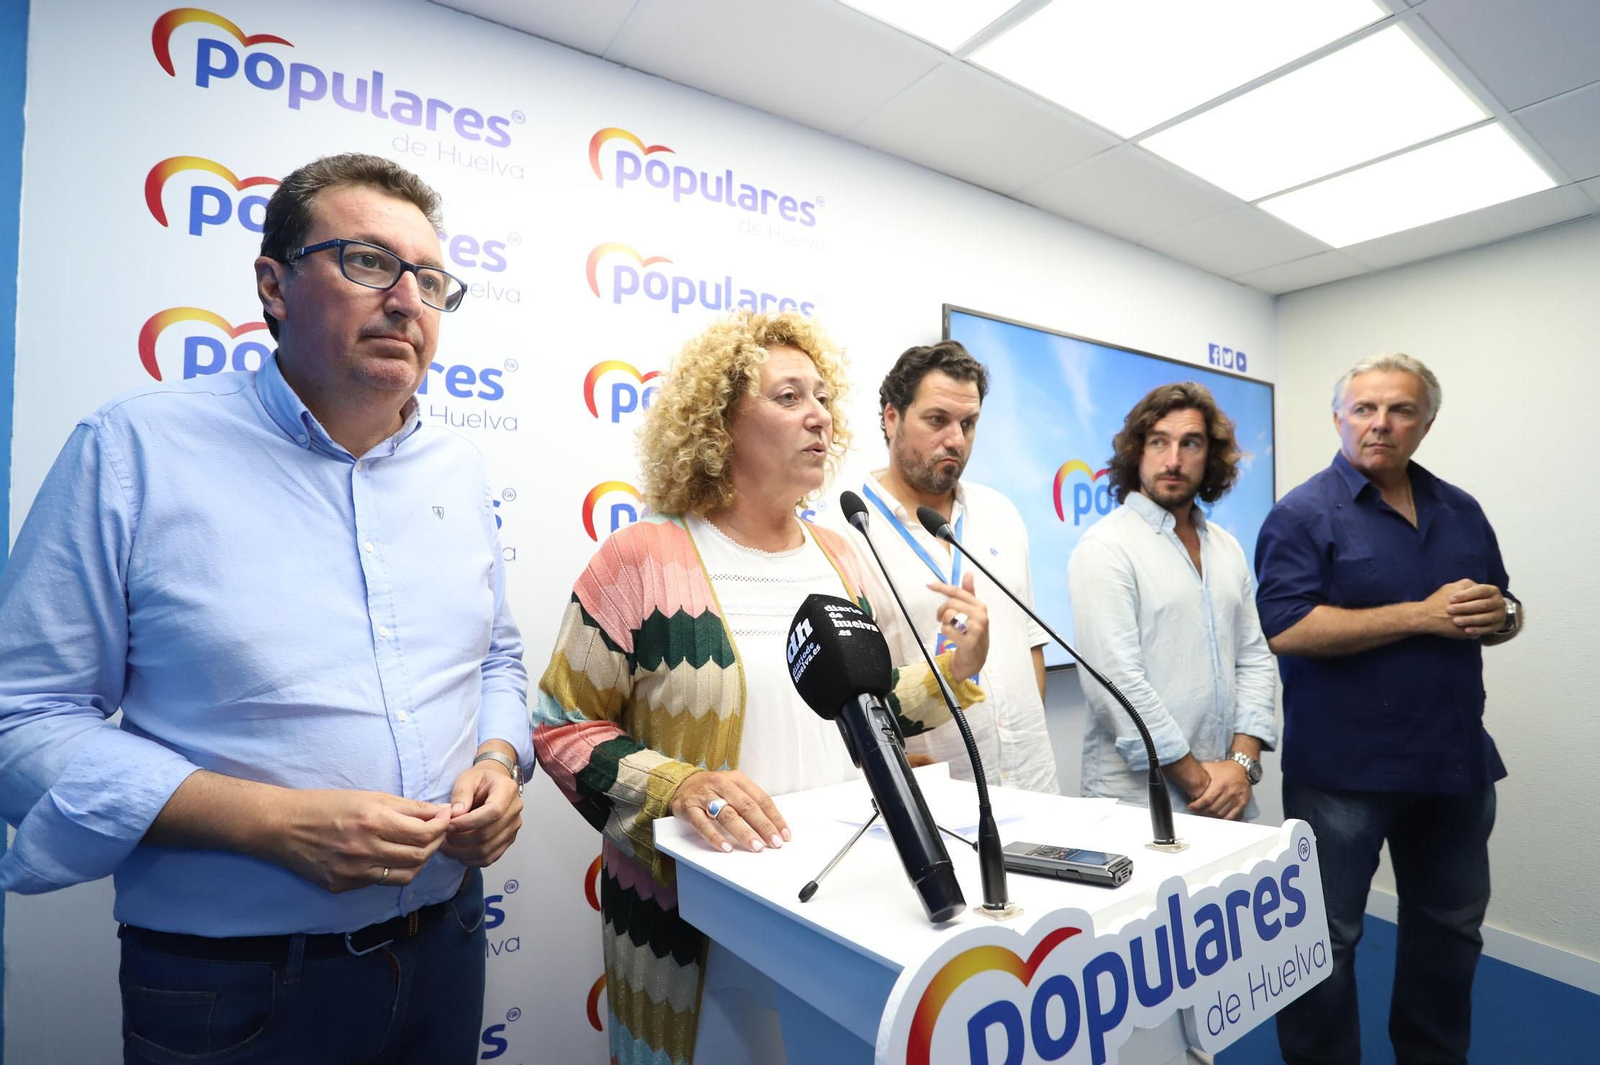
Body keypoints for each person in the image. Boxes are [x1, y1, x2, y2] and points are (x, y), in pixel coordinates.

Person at [0, 153, 530, 1064]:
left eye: (433, 281)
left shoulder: (459, 470)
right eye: (369, 262)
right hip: (235, 986)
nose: (408, 300)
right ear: (272, 285)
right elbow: (22, 717)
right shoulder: (134, 449)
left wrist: (496, 757)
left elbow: (496, 662)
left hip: (447, 945)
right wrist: (271, 823)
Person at [533, 310, 991, 1065]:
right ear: (719, 426)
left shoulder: (841, 555)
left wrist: (954, 672)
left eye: (821, 397)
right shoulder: (641, 557)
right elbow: (560, 723)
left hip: (843, 909)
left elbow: (865, 711)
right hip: (699, 932)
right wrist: (677, 785)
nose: (819, 415)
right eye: (787, 397)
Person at [1256, 353, 1518, 1065]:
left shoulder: (1462, 508)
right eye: (1365, 408)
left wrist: (1503, 614)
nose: (1381, 424)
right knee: (1325, 940)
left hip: (1454, 761)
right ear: (1338, 417)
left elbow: (1503, 607)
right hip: (1343, 771)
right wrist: (1420, 617)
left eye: (1401, 410)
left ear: (1425, 422)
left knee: (1451, 931)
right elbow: (1287, 627)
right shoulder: (1302, 513)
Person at [846, 339, 1058, 792]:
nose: (956, 440)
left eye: (969, 423)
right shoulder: (847, 530)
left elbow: (1029, 643)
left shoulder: (1000, 512)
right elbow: (847, 693)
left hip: (1033, 783)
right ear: (891, 418)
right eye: (937, 420)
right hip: (938, 794)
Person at [1068, 383, 1277, 820]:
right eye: (1158, 442)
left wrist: (1240, 765)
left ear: (1211, 457)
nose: (1174, 460)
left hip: (1226, 794)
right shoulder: (1106, 547)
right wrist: (1203, 784)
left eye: (1191, 444)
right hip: (1138, 804)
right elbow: (1118, 684)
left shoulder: (1226, 548)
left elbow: (1255, 658)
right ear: (1136, 452)